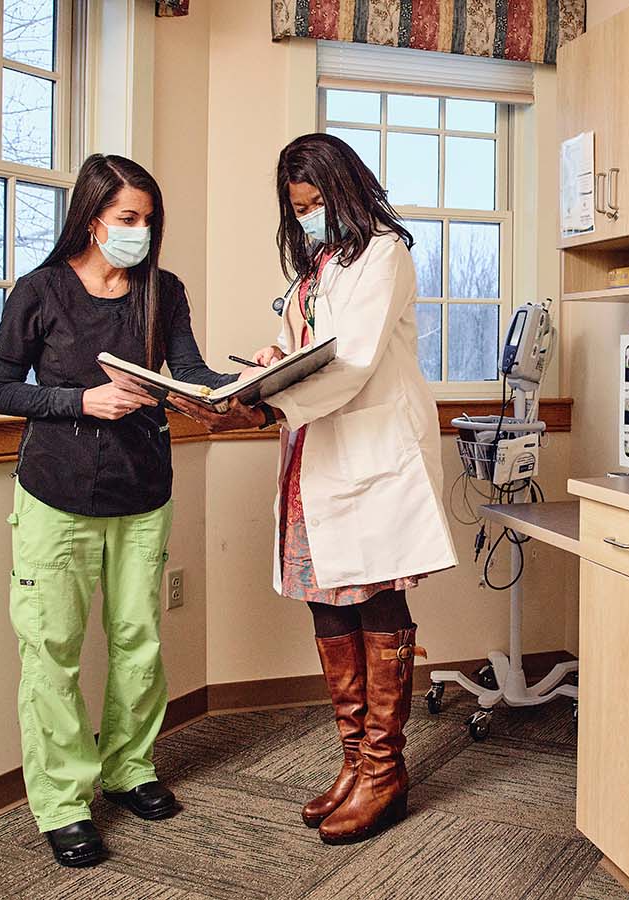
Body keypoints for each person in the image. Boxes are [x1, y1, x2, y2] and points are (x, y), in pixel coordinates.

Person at [0, 153, 268, 868]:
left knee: (138, 640)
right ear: (91, 217)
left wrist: (249, 380)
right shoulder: (40, 290)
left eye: (148, 220)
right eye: (127, 219)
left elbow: (191, 376)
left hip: (144, 492)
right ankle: (63, 801)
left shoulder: (162, 291)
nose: (139, 232)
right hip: (56, 493)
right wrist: (82, 400)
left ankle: (130, 768)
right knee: (52, 652)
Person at [245, 133, 458, 845]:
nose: (307, 218)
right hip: (317, 455)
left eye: (315, 204)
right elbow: (308, 350)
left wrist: (277, 396)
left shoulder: (383, 255)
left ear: (344, 192)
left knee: (375, 597)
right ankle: (353, 763)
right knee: (326, 597)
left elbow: (356, 360)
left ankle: (384, 770)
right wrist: (273, 361)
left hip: (369, 456)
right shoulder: (317, 269)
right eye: (297, 208)